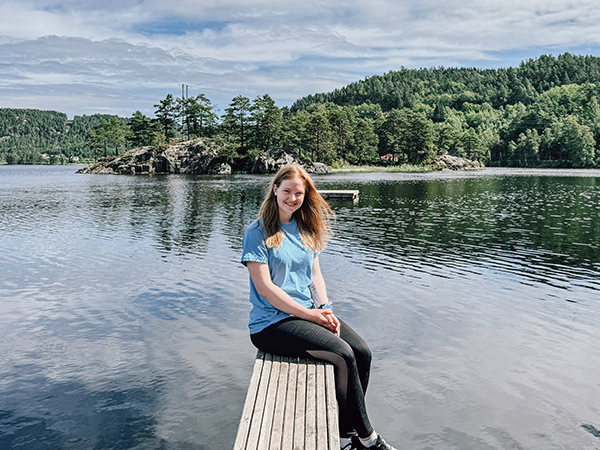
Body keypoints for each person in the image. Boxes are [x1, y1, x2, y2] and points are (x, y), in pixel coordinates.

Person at [241, 164, 398, 450]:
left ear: (305, 194)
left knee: (362, 352)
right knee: (343, 355)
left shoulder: (304, 228)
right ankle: (368, 440)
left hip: (307, 314)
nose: (292, 198)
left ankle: (344, 436)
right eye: (287, 191)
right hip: (272, 324)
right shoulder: (257, 232)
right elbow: (265, 288)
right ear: (275, 190)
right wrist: (311, 314)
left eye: (298, 193)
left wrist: (325, 310)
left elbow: (315, 276)